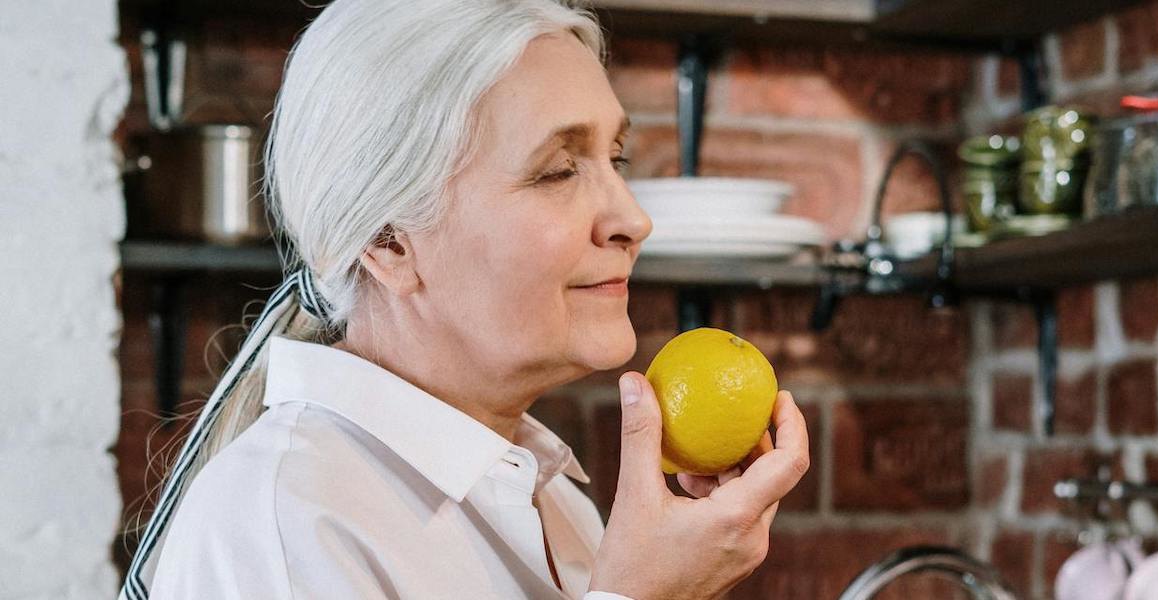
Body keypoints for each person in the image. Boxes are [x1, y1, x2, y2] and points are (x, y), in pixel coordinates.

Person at [119, 1, 810, 598]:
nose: (632, 217)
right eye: (559, 171)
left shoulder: (550, 494)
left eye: (615, 160)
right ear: (389, 242)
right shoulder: (282, 527)